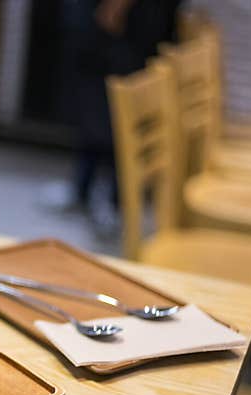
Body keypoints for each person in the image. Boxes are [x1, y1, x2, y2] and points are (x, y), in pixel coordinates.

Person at [62, 0, 182, 229]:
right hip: (122, 26)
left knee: (118, 111)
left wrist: (116, 6)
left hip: (134, 25)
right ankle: (83, 190)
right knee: (96, 103)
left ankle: (115, 202)